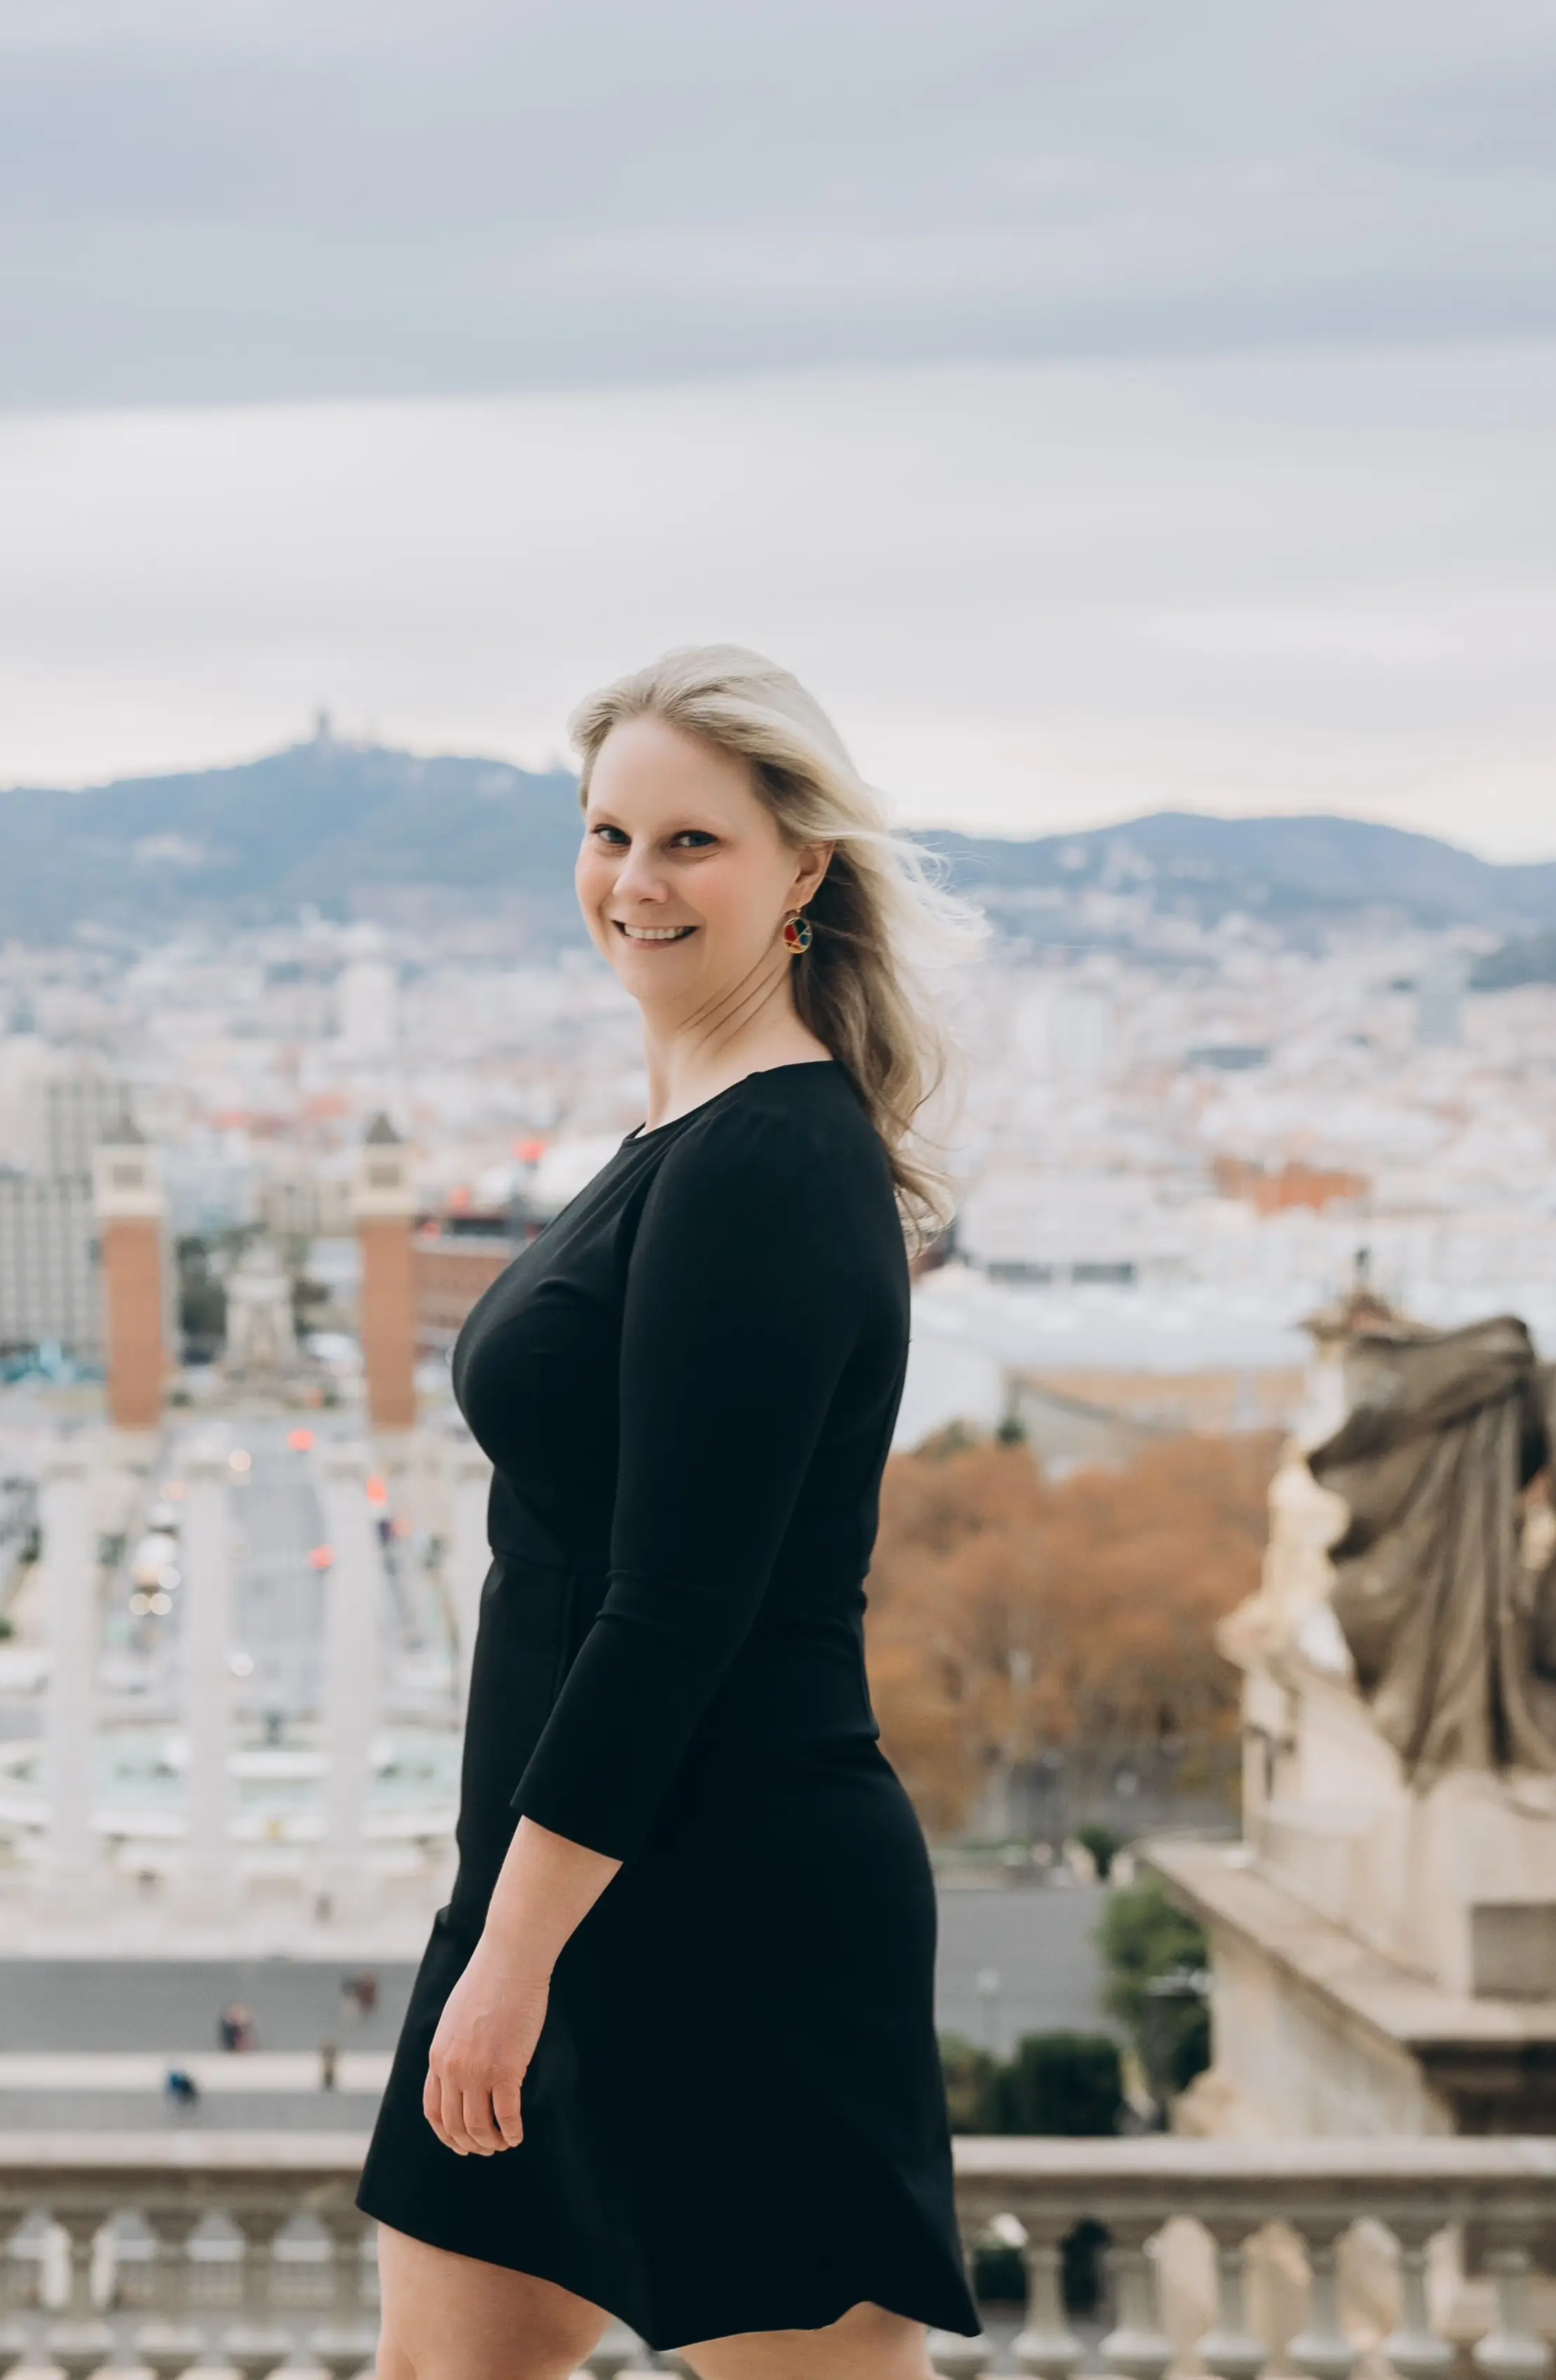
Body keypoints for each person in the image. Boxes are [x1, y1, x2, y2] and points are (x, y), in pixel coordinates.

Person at [356, 649, 984, 2379]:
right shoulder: (687, 1136)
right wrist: (505, 1935)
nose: (634, 881)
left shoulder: (773, 1164)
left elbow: (675, 1605)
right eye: (607, 831)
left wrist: (510, 1960)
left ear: (804, 873)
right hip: (560, 1886)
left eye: (690, 841)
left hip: (724, 1910)